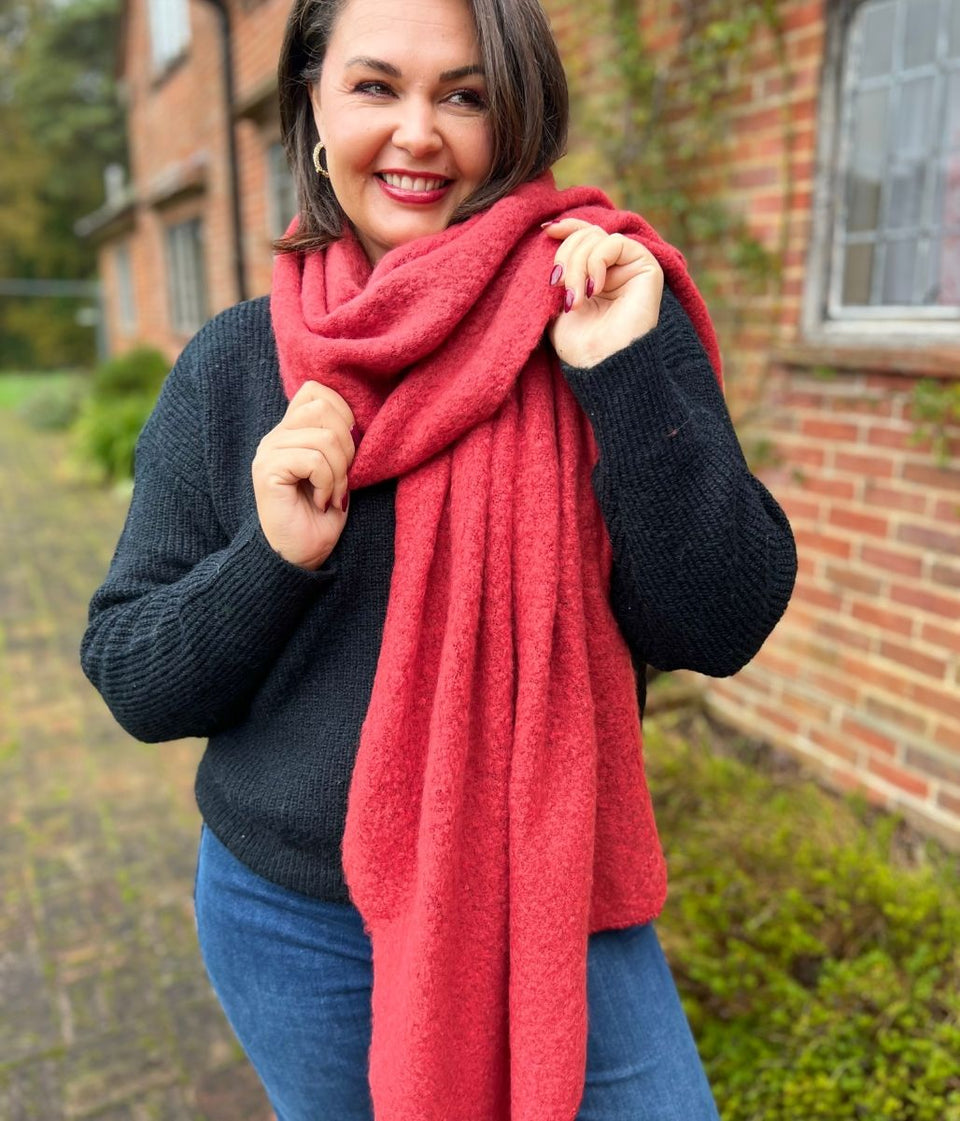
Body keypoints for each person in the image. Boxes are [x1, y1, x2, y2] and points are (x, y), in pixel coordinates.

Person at [80, 0, 797, 1118]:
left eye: (464, 95)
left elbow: (723, 618)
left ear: (513, 118)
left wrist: (622, 375)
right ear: (313, 101)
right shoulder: (232, 367)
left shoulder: (602, 307)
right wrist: (268, 555)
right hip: (295, 922)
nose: (420, 132)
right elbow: (133, 671)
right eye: (377, 87)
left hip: (555, 902)